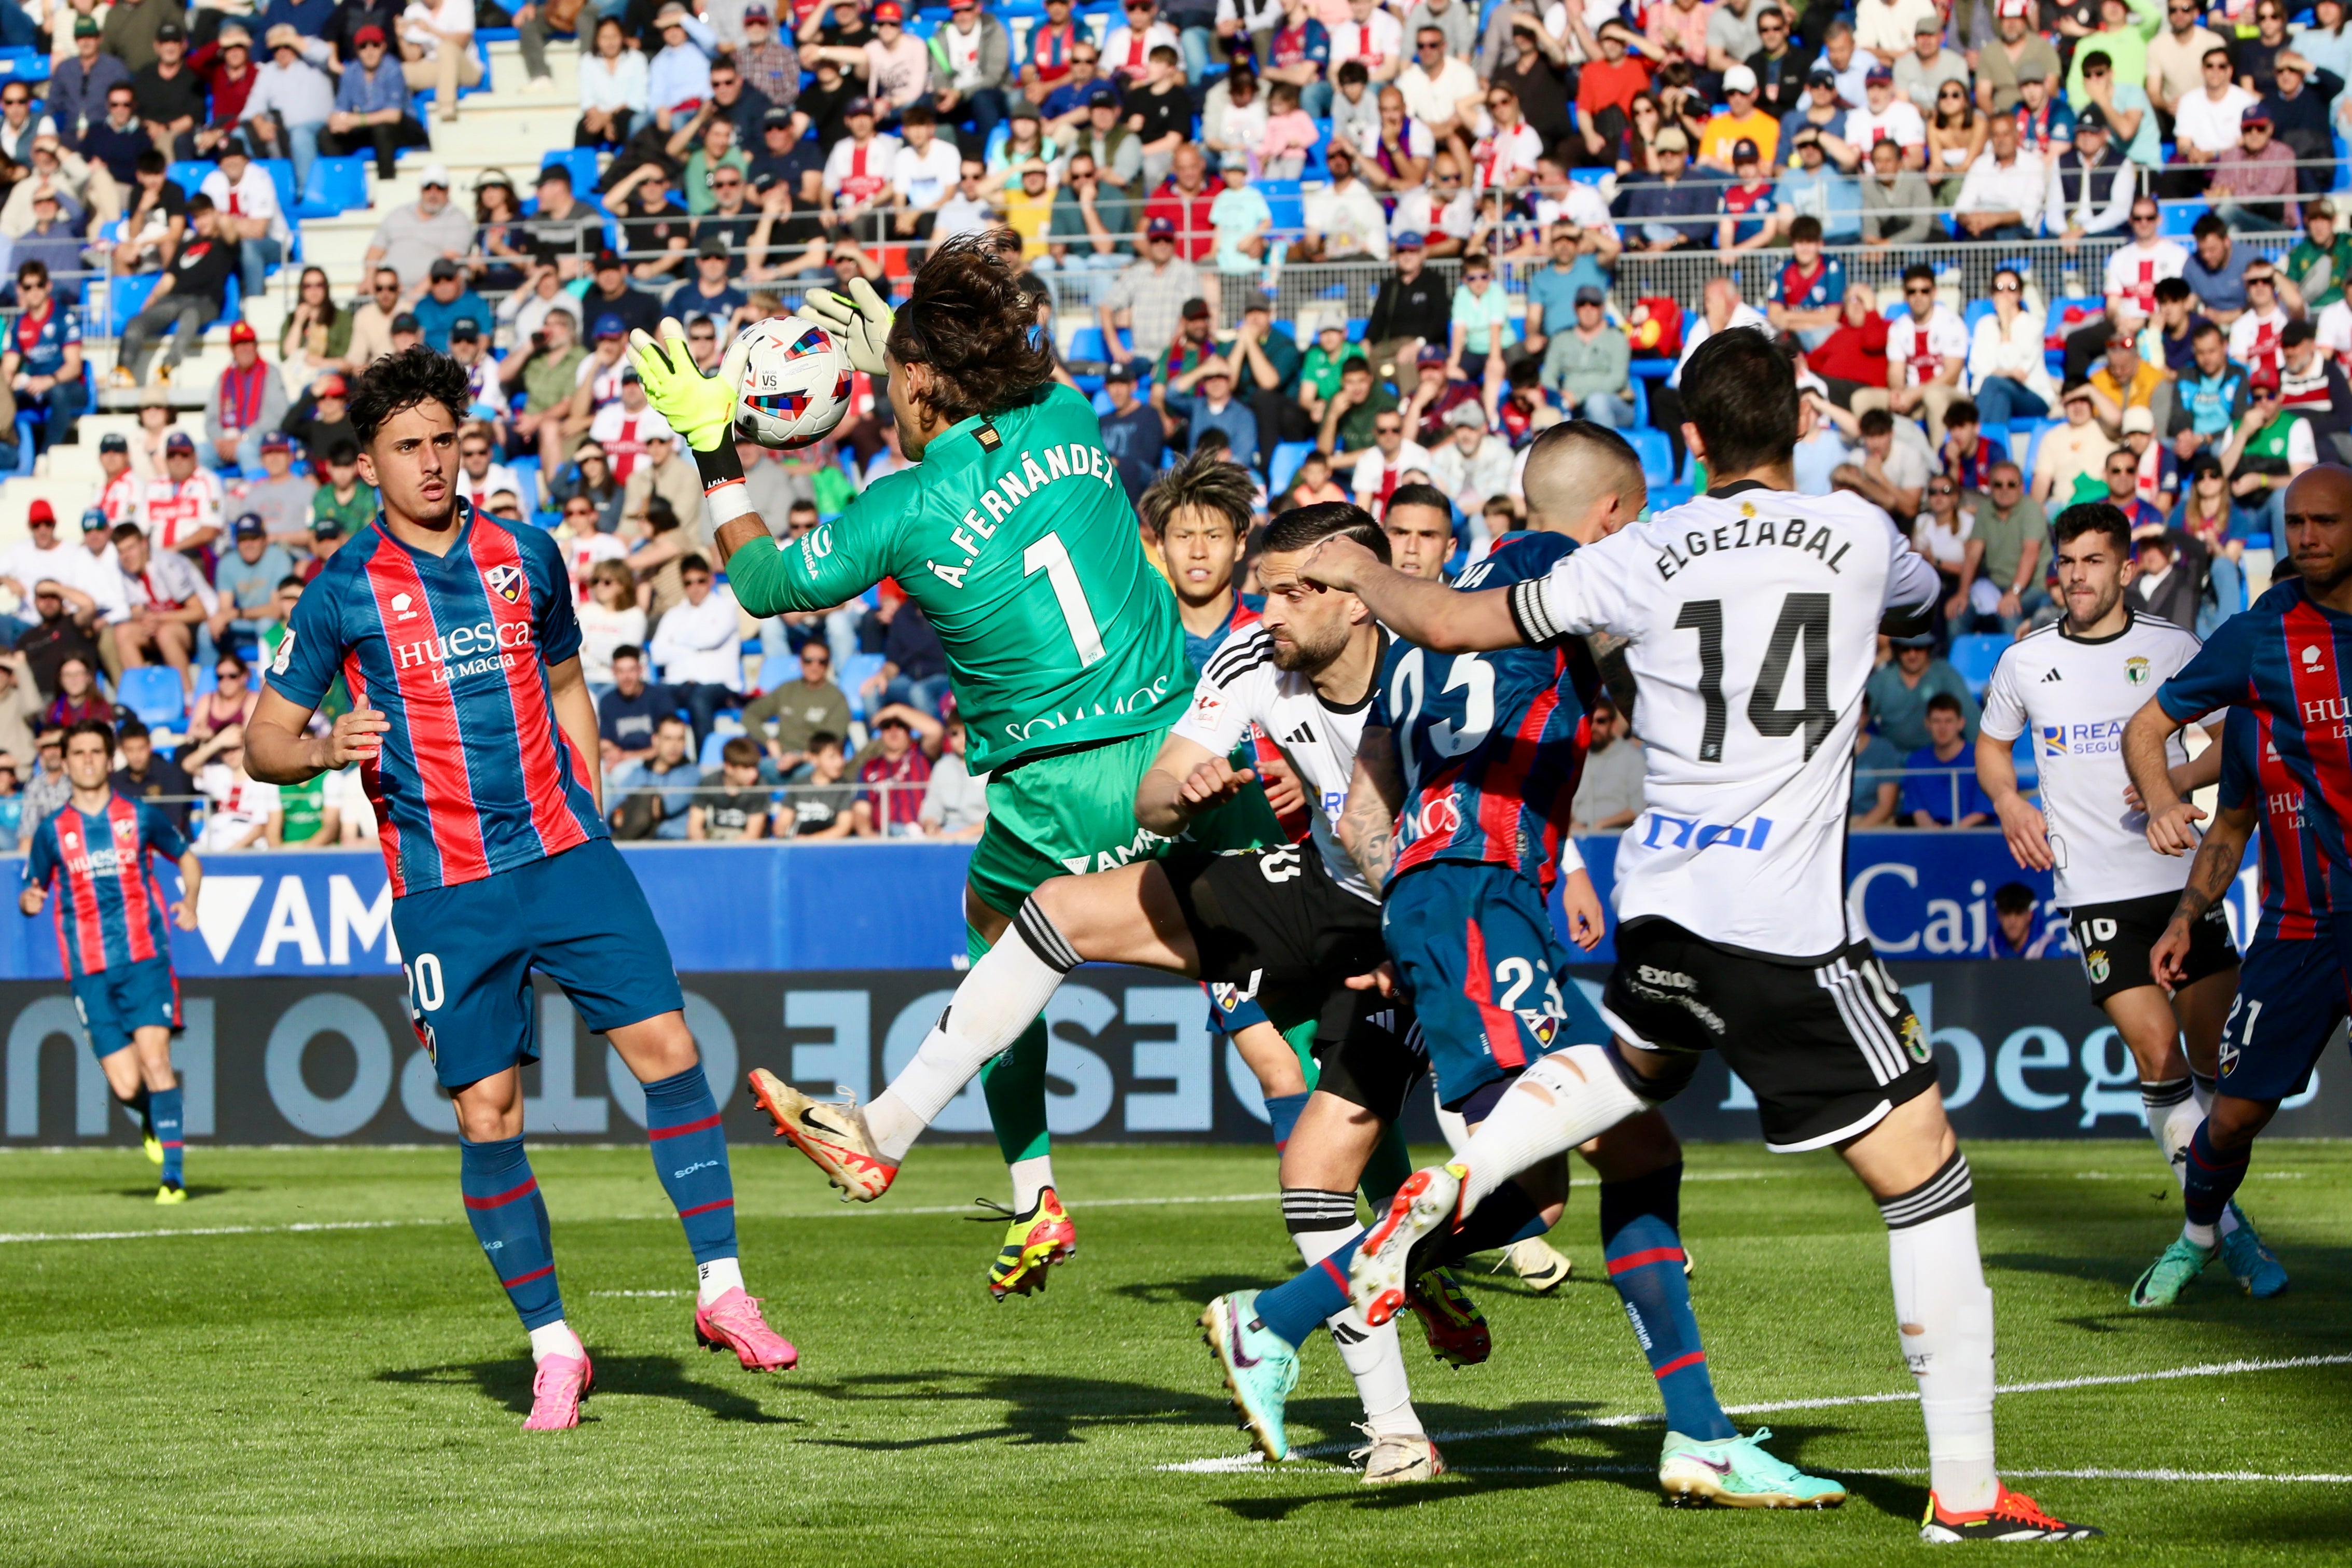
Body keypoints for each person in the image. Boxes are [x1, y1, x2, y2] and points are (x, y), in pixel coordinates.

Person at [1286, 327, 2102, 1543]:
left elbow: (1453, 622)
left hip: (1660, 899)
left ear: (1690, 439)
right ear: (1800, 419)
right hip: (1781, 917)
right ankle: (1967, 1496)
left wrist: (1362, 581)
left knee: (1629, 1073)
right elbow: (1928, 600)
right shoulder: (1854, 532)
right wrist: (1864, 492)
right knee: (1925, 1172)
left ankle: (1440, 1190)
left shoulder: (1642, 549)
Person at [630, 235, 1288, 1294]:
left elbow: (757, 583)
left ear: (925, 380)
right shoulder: (1070, 414)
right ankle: (1052, 1198)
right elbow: (993, 378)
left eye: (895, 369)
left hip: (1059, 786)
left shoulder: (897, 509)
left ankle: (932, 1147)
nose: (881, 383)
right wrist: (906, 324)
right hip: (1188, 744)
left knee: (1002, 951)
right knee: (1293, 990)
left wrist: (715, 449)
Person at [243, 348, 795, 1430]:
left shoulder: (528, 554)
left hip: (566, 853)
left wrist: (583, 800)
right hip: (447, 888)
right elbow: (263, 740)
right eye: (409, 446)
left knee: (672, 1052)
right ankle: (554, 1344)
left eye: (446, 438)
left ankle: (722, 1286)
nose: (434, 461)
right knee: (489, 1113)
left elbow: (567, 682)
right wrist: (317, 751)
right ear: (369, 466)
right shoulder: (342, 591)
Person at [2120, 466, 2352, 1308]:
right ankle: (2196, 1235)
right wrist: (2184, 907)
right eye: (2292, 522)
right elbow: (2227, 820)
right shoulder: (2261, 651)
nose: (2304, 537)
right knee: (2233, 1114)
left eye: (2323, 520)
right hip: (2297, 927)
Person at [19, 717, 203, 1202]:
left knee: (157, 1061)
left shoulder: (138, 816)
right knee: (125, 1085)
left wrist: (191, 902)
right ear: (66, 759)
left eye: (95, 752)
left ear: (109, 758)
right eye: (77, 752)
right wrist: (30, 901)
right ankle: (150, 1117)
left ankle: (174, 1178)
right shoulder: (53, 831)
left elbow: (186, 857)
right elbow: (30, 886)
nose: (86, 761)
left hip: (145, 959)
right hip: (89, 970)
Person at [115, 196, 236, 388]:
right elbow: (169, 278)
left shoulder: (225, 243)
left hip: (206, 301)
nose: (201, 222)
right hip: (175, 299)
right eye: (196, 218)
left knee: (191, 315)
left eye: (205, 215)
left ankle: (168, 368)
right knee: (136, 322)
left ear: (215, 214)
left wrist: (220, 217)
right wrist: (153, 298)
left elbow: (231, 232)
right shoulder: (185, 246)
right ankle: (123, 371)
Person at [1900, 691, 1994, 826]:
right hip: (1931, 839)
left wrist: (1952, 833)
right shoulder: (1916, 761)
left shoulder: (1980, 758)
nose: (1943, 728)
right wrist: (1933, 832)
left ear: (1961, 723)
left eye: (1949, 721)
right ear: (1927, 724)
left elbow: (1982, 812)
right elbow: (1917, 809)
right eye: (1936, 721)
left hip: (1975, 837)